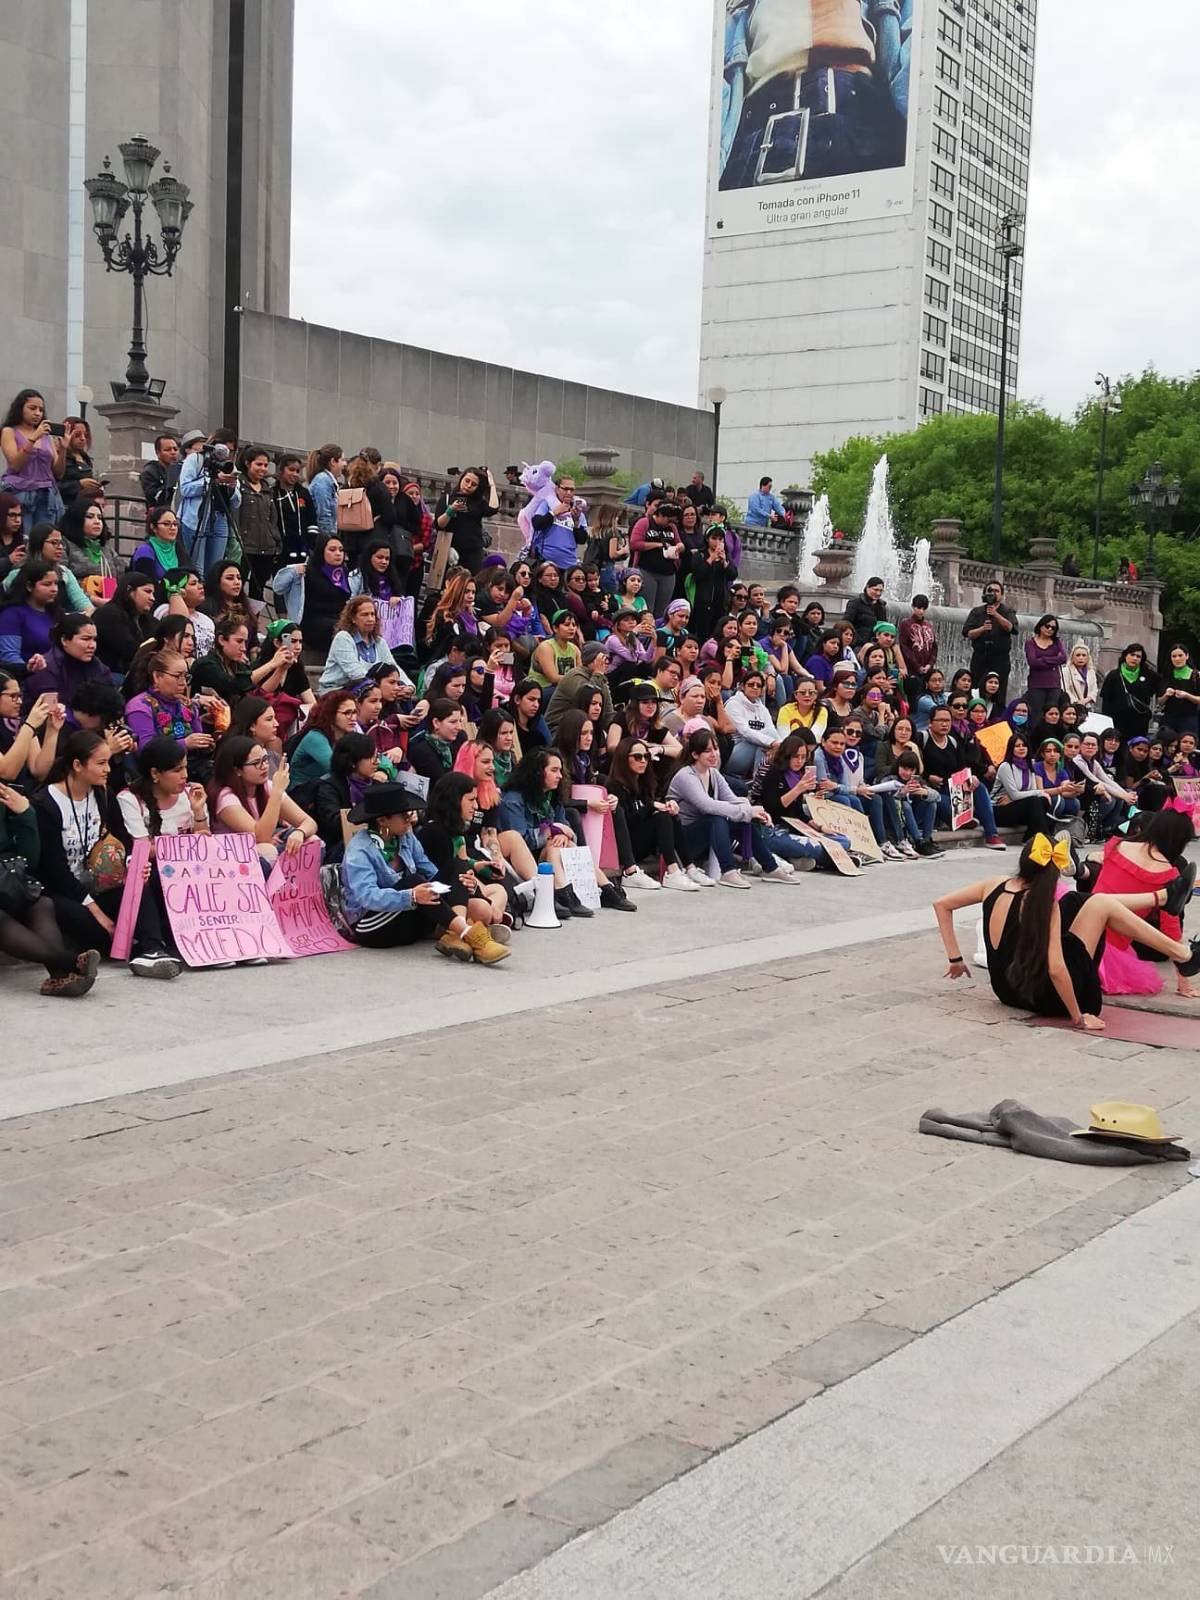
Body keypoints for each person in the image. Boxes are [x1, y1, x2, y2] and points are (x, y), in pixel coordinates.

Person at [935, 834, 1197, 1027]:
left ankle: (1163, 897)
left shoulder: (992, 884)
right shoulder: (1044, 905)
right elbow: (1057, 969)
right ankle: (1183, 954)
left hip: (1006, 990)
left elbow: (941, 905)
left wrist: (955, 958)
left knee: (1077, 901)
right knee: (1100, 904)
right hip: (1048, 998)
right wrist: (1078, 1017)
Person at [34, 729, 181, 978]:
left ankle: (152, 951)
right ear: (77, 765)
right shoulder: (45, 804)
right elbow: (54, 869)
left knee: (138, 887)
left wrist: (134, 866)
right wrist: (97, 912)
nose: (108, 769)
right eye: (101, 763)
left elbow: (122, 838)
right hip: (64, 892)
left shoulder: (102, 794)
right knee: (89, 922)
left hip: (101, 884)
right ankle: (121, 945)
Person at [339, 781, 509, 962]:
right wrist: (411, 895)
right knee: (414, 881)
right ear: (382, 820)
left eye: (410, 813)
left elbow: (432, 873)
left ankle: (455, 933)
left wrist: (462, 882)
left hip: (403, 916)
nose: (410, 818)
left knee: (457, 866)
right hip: (371, 925)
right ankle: (468, 933)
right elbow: (367, 897)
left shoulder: (405, 837)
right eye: (404, 815)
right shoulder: (360, 850)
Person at [498, 747, 632, 916]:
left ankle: (606, 888)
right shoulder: (513, 799)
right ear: (537, 772)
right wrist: (550, 832)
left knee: (564, 844)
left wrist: (560, 833)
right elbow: (521, 840)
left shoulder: (551, 796)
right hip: (523, 863)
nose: (560, 776)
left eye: (560, 770)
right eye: (554, 770)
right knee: (556, 846)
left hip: (547, 856)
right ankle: (565, 894)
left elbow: (567, 830)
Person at [0, 777, 99, 997]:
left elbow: (29, 859)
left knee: (41, 903)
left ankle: (59, 977)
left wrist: (25, 814)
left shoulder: (6, 796)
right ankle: (71, 962)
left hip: (9, 878)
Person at [666, 727, 792, 888]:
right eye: (707, 751)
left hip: (704, 835)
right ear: (695, 754)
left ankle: (771, 868)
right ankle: (728, 871)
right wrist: (747, 811)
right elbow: (708, 806)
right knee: (716, 819)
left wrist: (755, 811)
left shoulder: (713, 773)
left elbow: (732, 800)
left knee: (742, 820)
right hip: (683, 841)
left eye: (716, 749)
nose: (714, 754)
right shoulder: (686, 775)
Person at [418, 772, 512, 934]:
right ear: (453, 801)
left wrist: (477, 865)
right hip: (438, 898)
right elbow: (450, 877)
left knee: (499, 890)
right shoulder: (434, 833)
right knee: (483, 908)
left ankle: (479, 925)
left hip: (457, 888)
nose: (475, 806)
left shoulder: (456, 831)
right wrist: (483, 897)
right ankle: (465, 929)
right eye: (471, 800)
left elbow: (463, 864)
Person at [605, 735, 701, 891]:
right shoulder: (614, 786)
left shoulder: (643, 782)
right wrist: (652, 807)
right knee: (661, 818)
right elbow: (626, 823)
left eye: (646, 756)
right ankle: (672, 873)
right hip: (624, 848)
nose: (643, 760)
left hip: (641, 842)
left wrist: (665, 806)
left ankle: (690, 867)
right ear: (624, 758)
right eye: (637, 757)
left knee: (670, 816)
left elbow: (647, 812)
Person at [209, 734, 317, 871]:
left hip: (262, 847)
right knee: (268, 851)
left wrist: (300, 832)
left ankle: (298, 891)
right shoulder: (225, 797)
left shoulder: (267, 786)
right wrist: (277, 793)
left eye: (265, 760)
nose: (264, 766)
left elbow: (309, 822)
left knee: (312, 841)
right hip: (231, 860)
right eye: (256, 763)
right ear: (237, 770)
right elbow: (260, 837)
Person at [751, 731, 853, 870]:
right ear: (787, 756)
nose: (799, 761)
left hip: (792, 827)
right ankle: (834, 859)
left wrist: (819, 827)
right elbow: (772, 808)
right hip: (772, 829)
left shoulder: (798, 775)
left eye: (803, 757)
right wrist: (798, 789)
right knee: (816, 848)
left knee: (844, 840)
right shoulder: (773, 773)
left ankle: (801, 858)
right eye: (796, 757)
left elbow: (798, 812)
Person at [921, 705, 1006, 848]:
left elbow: (962, 767)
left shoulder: (953, 742)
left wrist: (971, 777)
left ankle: (992, 835)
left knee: (979, 787)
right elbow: (914, 765)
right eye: (940, 720)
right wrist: (928, 776)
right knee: (939, 800)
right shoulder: (922, 738)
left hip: (952, 788)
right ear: (930, 722)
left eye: (947, 721)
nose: (944, 724)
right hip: (930, 789)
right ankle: (962, 820)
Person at [119, 735, 210, 841]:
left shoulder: (192, 795)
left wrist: (198, 811)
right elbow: (143, 849)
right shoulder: (130, 799)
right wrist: (188, 843)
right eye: (177, 770)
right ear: (155, 773)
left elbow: (204, 844)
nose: (185, 775)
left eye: (185, 767)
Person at [0, 389, 67, 532]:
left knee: (44, 539)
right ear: (20, 409)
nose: (37, 413)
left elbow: (59, 473)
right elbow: (15, 464)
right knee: (24, 536)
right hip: (20, 492)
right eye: (32, 408)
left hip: (46, 494)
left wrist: (63, 450)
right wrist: (33, 439)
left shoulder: (47, 436)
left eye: (41, 410)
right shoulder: (9, 431)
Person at [178, 427, 241, 574]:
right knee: (196, 568)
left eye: (232, 451)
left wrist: (232, 487)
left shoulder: (229, 466)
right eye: (225, 449)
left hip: (220, 518)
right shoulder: (196, 459)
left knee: (215, 569)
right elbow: (185, 488)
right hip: (197, 518)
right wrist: (212, 480)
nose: (227, 454)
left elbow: (237, 502)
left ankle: (212, 595)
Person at [20, 611, 108, 715]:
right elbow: (53, 713)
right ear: (64, 640)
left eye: (94, 639)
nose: (92, 645)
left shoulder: (97, 665)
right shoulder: (44, 667)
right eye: (86, 639)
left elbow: (109, 699)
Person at [124, 649, 209, 753]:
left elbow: (199, 742)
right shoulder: (140, 706)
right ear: (157, 677)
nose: (184, 683)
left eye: (186, 677)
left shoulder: (187, 705)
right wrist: (184, 744)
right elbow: (145, 750)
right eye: (178, 676)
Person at [2, 522, 92, 614]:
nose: (60, 547)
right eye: (54, 542)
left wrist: (88, 613)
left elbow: (83, 603)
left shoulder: (64, 573)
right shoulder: (17, 574)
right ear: (38, 544)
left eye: (61, 543)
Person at [317, 595, 399, 693]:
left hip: (371, 689)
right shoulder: (343, 638)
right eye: (365, 615)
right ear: (353, 618)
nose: (370, 619)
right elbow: (356, 673)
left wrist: (408, 686)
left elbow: (393, 668)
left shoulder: (379, 642)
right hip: (336, 691)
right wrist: (384, 685)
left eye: (372, 614)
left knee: (400, 695)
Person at [236, 445, 282, 599]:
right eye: (258, 464)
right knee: (237, 588)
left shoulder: (267, 488)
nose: (263, 469)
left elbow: (273, 518)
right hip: (245, 546)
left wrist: (275, 540)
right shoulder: (238, 485)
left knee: (258, 590)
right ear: (248, 463)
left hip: (266, 547)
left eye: (265, 465)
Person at [434, 467, 499, 576]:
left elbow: (493, 508)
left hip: (473, 551)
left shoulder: (477, 502)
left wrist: (492, 485)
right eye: (467, 481)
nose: (468, 486)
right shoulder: (447, 498)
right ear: (461, 479)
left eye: (473, 484)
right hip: (452, 550)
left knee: (470, 582)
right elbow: (439, 525)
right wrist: (451, 510)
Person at [991, 731, 1055, 839]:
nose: (1021, 748)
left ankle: (1032, 836)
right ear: (1011, 749)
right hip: (998, 809)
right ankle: (1044, 837)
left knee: (1042, 801)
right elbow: (1016, 794)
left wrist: (1038, 794)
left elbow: (1028, 793)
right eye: (1017, 746)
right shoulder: (1006, 766)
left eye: (1024, 745)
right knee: (1036, 800)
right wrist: (1041, 792)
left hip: (1015, 805)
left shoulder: (1030, 766)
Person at [962, 581, 1017, 704]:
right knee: (976, 689)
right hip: (980, 657)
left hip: (1000, 659)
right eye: (990, 591)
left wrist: (996, 614)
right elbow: (968, 633)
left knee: (999, 692)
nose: (993, 593)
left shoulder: (1008, 611)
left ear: (1002, 595)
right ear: (984, 594)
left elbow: (1011, 628)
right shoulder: (977, 612)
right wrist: (982, 629)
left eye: (997, 591)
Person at [629, 500, 685, 618]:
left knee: (662, 609)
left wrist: (679, 547)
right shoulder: (645, 523)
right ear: (660, 515)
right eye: (668, 520)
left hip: (668, 572)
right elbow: (634, 544)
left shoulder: (672, 527)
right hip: (647, 570)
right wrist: (657, 545)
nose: (669, 523)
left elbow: (680, 543)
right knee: (648, 608)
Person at [1099, 642, 1159, 741]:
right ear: (1125, 655)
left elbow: (1161, 686)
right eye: (1132, 655)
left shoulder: (1150, 675)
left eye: (1138, 656)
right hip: (1117, 722)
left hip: (1139, 722)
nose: (1135, 658)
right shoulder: (1114, 675)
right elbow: (1106, 700)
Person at [408, 697, 468, 784]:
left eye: (459, 721)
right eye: (453, 722)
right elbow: (442, 782)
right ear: (436, 722)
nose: (459, 727)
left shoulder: (460, 738)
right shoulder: (421, 749)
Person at [273, 453, 319, 563]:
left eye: (298, 471)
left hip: (303, 550)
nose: (295, 474)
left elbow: (312, 520)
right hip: (281, 550)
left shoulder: (304, 493)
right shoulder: (273, 493)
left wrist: (310, 543)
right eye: (291, 470)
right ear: (280, 470)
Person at [198, 559, 258, 643]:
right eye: (230, 578)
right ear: (217, 581)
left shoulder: (245, 608)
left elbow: (254, 643)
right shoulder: (207, 607)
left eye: (239, 578)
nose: (237, 582)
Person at [1023, 614, 1068, 723]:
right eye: (1047, 626)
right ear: (1041, 625)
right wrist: (1053, 659)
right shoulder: (1030, 643)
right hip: (1036, 684)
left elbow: (1063, 658)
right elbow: (1032, 662)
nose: (1050, 629)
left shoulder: (1057, 642)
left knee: (1052, 714)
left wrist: (1043, 659)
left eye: (1053, 628)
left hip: (1054, 685)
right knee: (1036, 715)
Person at [129, 506, 185, 585]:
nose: (173, 528)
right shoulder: (145, 552)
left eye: (175, 524)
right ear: (153, 527)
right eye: (166, 524)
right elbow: (145, 585)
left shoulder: (177, 548)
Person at [1159, 643, 1200, 738]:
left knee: (1187, 744)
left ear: (1187, 656)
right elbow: (1160, 702)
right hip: (1169, 718)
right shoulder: (1166, 675)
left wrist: (1187, 695)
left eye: (1180, 655)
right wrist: (1166, 695)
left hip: (1189, 718)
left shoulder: (1196, 675)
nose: (1177, 659)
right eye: (1174, 656)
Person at [58, 417, 100, 510]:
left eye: (85, 435)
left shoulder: (85, 458)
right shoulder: (60, 456)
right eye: (77, 435)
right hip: (67, 507)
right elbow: (56, 485)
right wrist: (79, 484)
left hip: (86, 506)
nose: (82, 439)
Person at [306, 443, 346, 538]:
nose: (345, 464)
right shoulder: (323, 481)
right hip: (324, 538)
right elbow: (323, 515)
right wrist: (328, 540)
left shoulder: (327, 481)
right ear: (333, 461)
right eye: (342, 460)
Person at [139, 433, 182, 510]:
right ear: (158, 453)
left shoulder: (183, 469)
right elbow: (158, 498)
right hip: (161, 515)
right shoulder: (150, 472)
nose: (173, 452)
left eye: (175, 449)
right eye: (167, 450)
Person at [845, 578, 886, 647]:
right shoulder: (855, 602)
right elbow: (846, 623)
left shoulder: (881, 605)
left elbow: (883, 625)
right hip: (857, 644)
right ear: (867, 587)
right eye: (875, 590)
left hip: (875, 644)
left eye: (881, 591)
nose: (878, 593)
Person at [1060, 642, 1100, 711]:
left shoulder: (1091, 672)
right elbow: (1065, 689)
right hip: (1071, 706)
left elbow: (1094, 689)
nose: (1081, 658)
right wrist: (1076, 702)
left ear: (1088, 658)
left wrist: (1085, 700)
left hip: (1087, 706)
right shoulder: (1066, 671)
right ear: (1072, 657)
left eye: (1084, 655)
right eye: (1078, 655)